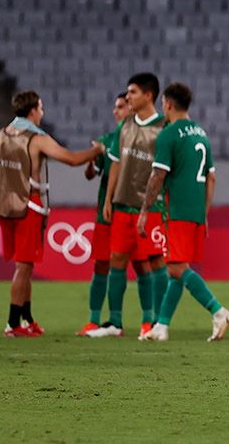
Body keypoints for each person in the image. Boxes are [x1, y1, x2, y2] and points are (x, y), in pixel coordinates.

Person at [0, 90, 102, 337]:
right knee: (23, 266)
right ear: (33, 110)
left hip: (5, 206)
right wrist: (96, 151)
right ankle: (13, 324)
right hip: (29, 206)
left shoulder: (0, 135)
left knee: (26, 265)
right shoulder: (36, 138)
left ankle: (27, 318)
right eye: (41, 108)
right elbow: (72, 159)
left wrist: (11, 173)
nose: (42, 113)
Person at [139, 83, 229, 342]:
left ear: (168, 104)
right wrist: (203, 212)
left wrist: (144, 210)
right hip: (195, 211)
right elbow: (212, 178)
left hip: (177, 210)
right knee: (177, 269)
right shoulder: (201, 134)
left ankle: (218, 311)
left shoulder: (169, 135)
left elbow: (158, 175)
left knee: (177, 266)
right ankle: (161, 326)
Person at [89, 73, 168, 339]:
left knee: (156, 262)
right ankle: (115, 322)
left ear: (148, 95)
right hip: (122, 206)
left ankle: (156, 322)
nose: (128, 96)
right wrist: (109, 199)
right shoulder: (125, 126)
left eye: (132, 92)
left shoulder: (164, 127)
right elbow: (117, 164)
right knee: (117, 261)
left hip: (151, 208)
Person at [76, 92, 131, 336]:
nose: (115, 111)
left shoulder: (139, 137)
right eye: (115, 107)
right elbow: (90, 175)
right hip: (106, 213)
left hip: (131, 210)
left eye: (120, 106)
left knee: (143, 266)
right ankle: (94, 319)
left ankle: (149, 321)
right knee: (101, 264)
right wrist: (92, 157)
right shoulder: (106, 140)